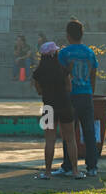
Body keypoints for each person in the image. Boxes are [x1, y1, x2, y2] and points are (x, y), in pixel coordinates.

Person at [33, 42, 83, 180]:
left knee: (49, 140)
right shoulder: (63, 70)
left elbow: (38, 91)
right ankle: (75, 171)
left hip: (48, 107)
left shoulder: (38, 73)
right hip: (65, 106)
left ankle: (47, 172)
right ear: (55, 54)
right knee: (70, 139)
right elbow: (69, 88)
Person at [58, 18, 100, 176]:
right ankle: (92, 167)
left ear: (68, 35)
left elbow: (62, 76)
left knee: (69, 132)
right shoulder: (90, 53)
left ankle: (68, 165)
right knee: (89, 132)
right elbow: (93, 75)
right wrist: (91, 92)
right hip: (86, 95)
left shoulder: (64, 53)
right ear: (82, 35)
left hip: (70, 96)